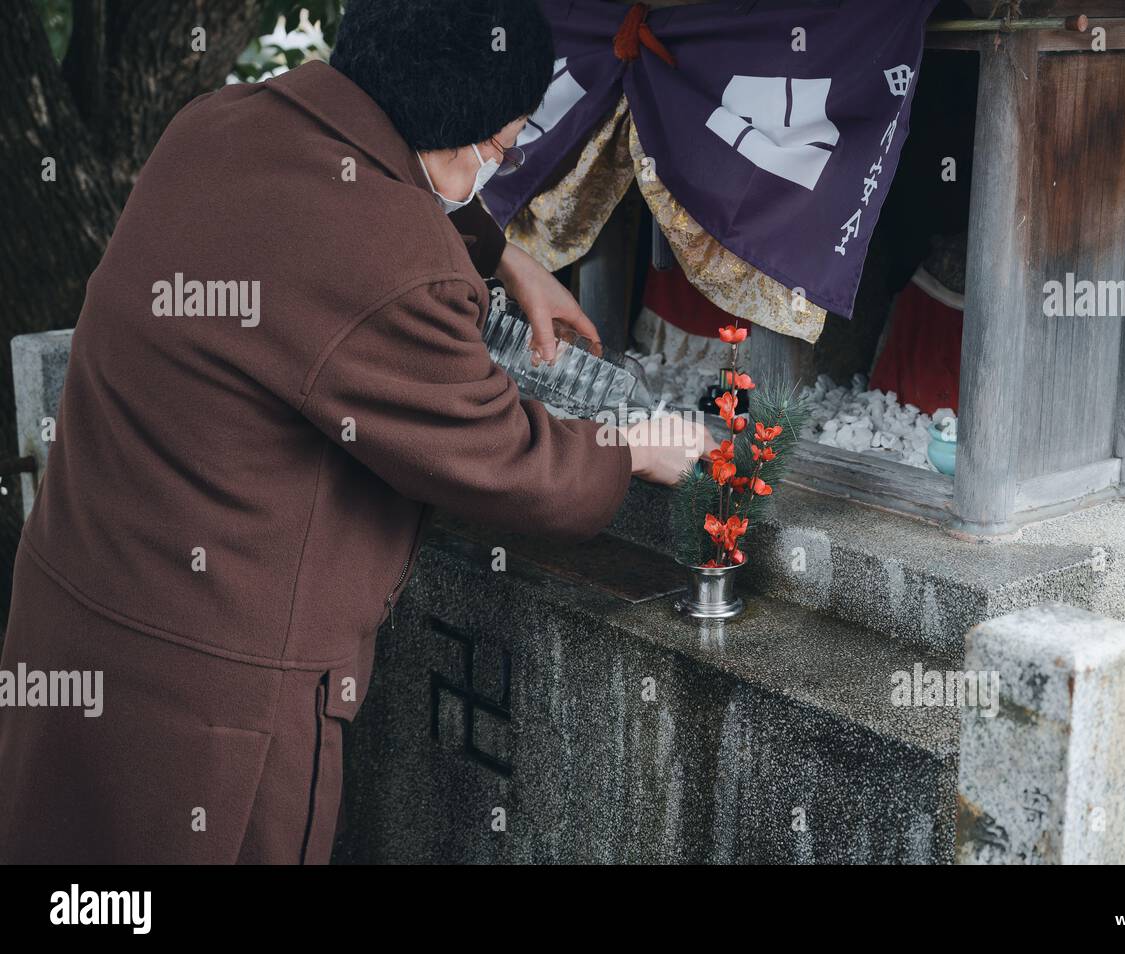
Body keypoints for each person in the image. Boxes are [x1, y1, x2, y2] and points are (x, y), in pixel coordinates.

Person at [0, 0, 711, 864]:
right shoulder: (393, 260)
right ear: (457, 127)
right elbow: (499, 456)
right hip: (207, 708)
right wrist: (632, 445)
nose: (502, 160)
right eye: (505, 142)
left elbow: (337, 207)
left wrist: (500, 256)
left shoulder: (216, 124)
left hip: (73, 623)